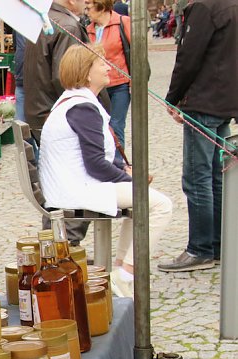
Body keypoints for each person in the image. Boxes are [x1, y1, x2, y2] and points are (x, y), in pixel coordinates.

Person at [39, 45, 173, 297]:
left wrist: (124, 171)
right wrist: (129, 178)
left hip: (74, 183)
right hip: (78, 188)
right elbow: (96, 165)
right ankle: (125, 274)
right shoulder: (82, 107)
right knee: (161, 205)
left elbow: (93, 160)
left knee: (142, 201)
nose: (108, 67)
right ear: (87, 73)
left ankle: (122, 271)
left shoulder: (75, 102)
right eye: (101, 63)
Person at [159, 0, 238, 272]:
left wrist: (173, 97)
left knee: (198, 178)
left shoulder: (204, 7)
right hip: (224, 102)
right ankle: (217, 244)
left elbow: (188, 58)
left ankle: (201, 248)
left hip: (204, 102)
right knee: (215, 177)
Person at [24, 0, 103, 244]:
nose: (87, 2)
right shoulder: (66, 24)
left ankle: (55, 246)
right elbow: (71, 78)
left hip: (43, 111)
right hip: (60, 115)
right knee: (76, 186)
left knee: (60, 186)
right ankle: (63, 248)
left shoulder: (44, 19)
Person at [86, 0, 132, 147]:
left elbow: (136, 54)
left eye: (89, 6)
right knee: (99, 126)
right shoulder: (88, 29)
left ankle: (118, 163)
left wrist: (134, 82)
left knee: (116, 125)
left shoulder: (122, 22)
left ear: (101, 5)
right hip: (98, 87)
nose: (86, 11)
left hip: (120, 84)